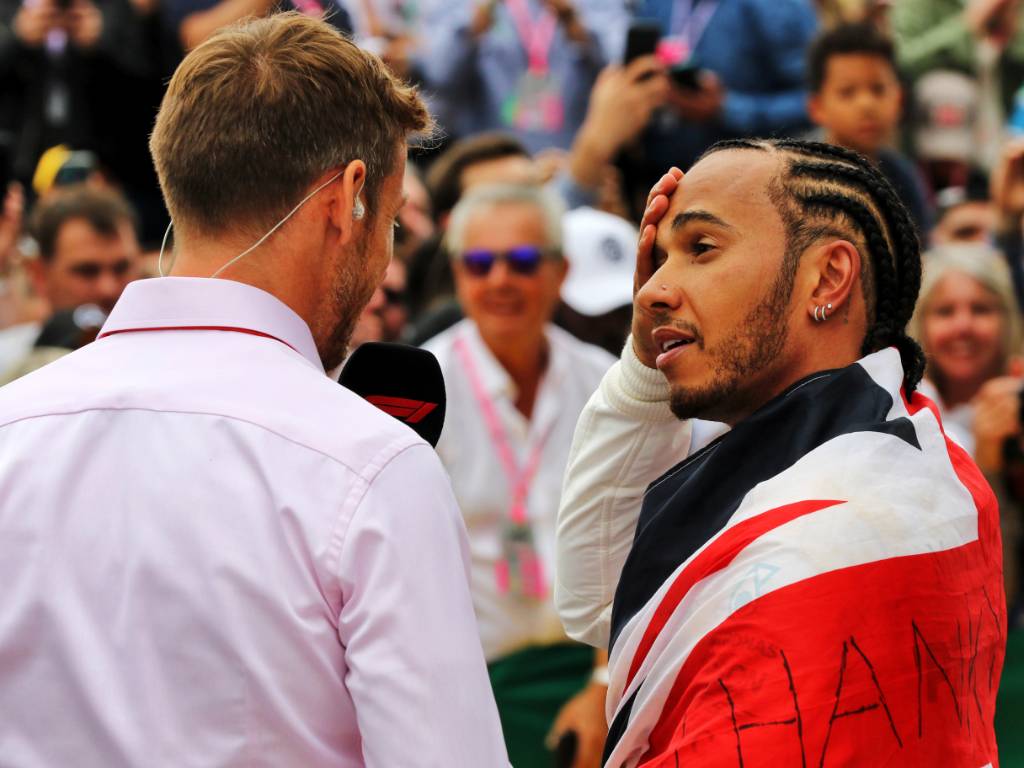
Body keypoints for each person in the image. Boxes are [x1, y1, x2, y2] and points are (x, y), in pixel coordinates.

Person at [0, 14, 509, 767]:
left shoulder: (10, 431)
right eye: (393, 220)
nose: (385, 260)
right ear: (348, 200)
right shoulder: (371, 467)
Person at [555, 139, 1005, 766]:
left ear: (827, 277)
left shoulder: (851, 518)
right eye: (660, 260)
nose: (652, 289)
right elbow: (598, 599)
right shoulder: (894, 457)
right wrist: (647, 362)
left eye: (700, 249)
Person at [423, 183, 615, 768]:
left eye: (523, 262)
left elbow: (636, 542)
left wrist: (606, 685)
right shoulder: (425, 390)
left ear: (561, 272)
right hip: (478, 685)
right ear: (458, 274)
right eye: (480, 263)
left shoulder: (605, 385)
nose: (500, 280)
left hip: (597, 676)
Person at [911, 242, 1023, 613]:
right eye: (945, 311)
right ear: (921, 323)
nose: (963, 326)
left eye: (981, 309)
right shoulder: (901, 411)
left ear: (1007, 319)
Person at [807, 23, 934, 234]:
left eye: (878, 89)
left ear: (899, 99)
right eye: (847, 92)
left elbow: (922, 249)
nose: (866, 105)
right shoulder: (800, 174)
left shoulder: (903, 177)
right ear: (817, 108)